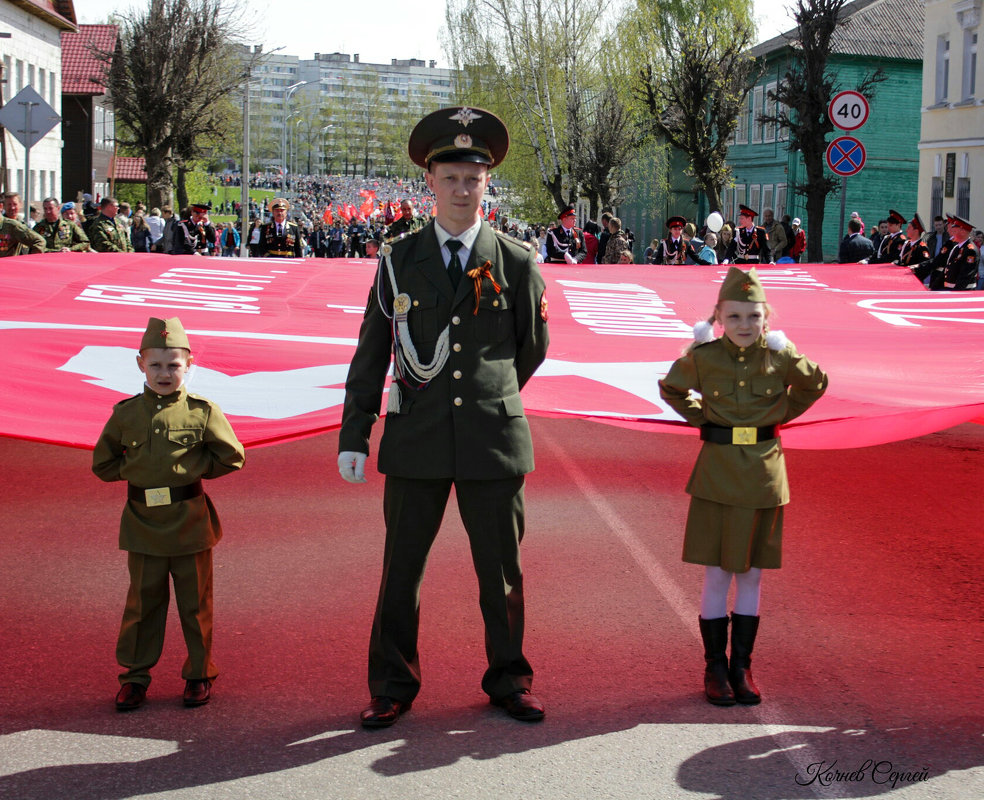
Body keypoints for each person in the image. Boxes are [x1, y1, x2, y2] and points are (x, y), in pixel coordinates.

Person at [337, 105, 550, 729]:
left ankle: (509, 678)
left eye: (473, 178)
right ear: (429, 181)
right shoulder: (397, 260)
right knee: (401, 570)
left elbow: (529, 347)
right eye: (450, 176)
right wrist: (356, 434)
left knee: (502, 573)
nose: (462, 188)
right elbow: (371, 353)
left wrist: (493, 393)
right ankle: (392, 684)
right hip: (418, 437)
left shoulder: (515, 260)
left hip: (492, 437)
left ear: (488, 184)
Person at [659, 267, 827, 706]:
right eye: (734, 317)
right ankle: (714, 667)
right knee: (717, 573)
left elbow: (816, 382)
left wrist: (780, 407)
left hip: (763, 476)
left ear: (766, 317)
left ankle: (742, 667)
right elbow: (673, 389)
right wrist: (704, 420)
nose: (745, 326)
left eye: (753, 316)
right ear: (718, 317)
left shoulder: (779, 356)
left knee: (750, 574)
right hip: (716, 474)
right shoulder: (704, 356)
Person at [92, 317, 245, 711]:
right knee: (142, 605)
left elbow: (232, 457)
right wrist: (137, 474)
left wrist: (190, 474)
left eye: (174, 365)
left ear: (189, 366)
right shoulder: (126, 414)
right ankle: (135, 677)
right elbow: (103, 463)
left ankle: (199, 674)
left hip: (190, 523)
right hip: (143, 523)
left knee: (196, 605)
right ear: (140, 363)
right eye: (156, 365)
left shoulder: (203, 412)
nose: (165, 373)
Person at [911, 214, 980, 290]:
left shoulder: (970, 250)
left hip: (961, 293)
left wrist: (953, 295)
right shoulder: (957, 248)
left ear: (963, 232)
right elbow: (946, 270)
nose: (949, 231)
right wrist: (933, 287)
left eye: (954, 230)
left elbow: (964, 278)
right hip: (949, 289)